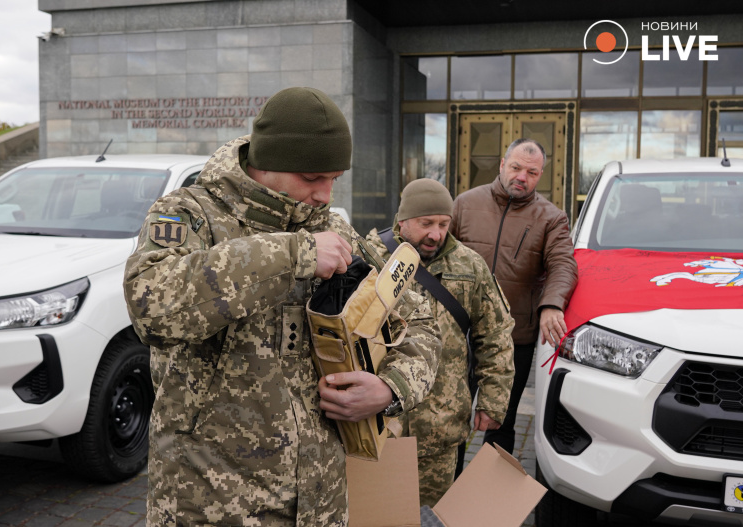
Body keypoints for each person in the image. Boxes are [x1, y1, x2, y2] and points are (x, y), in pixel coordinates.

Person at [123, 87, 440, 527]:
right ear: (266, 163)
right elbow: (152, 307)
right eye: (312, 178)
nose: (325, 195)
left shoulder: (335, 230)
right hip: (212, 504)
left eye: (334, 179)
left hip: (321, 504)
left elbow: (421, 318)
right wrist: (293, 255)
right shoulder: (189, 213)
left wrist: (390, 389)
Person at [365, 178, 515, 507]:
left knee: (432, 514)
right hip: (376, 424)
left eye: (444, 224)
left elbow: (496, 334)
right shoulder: (369, 258)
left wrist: (493, 400)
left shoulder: (469, 265)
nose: (436, 234)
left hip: (440, 427)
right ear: (403, 220)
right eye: (426, 223)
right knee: (377, 510)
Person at [450, 138, 578, 455]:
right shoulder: (464, 204)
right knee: (451, 418)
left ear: (541, 175)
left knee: (501, 421)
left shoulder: (552, 218)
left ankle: (492, 487)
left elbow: (564, 265)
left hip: (514, 337)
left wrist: (552, 304)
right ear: (503, 165)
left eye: (532, 173)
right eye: (517, 167)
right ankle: (451, 484)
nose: (522, 177)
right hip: (459, 331)